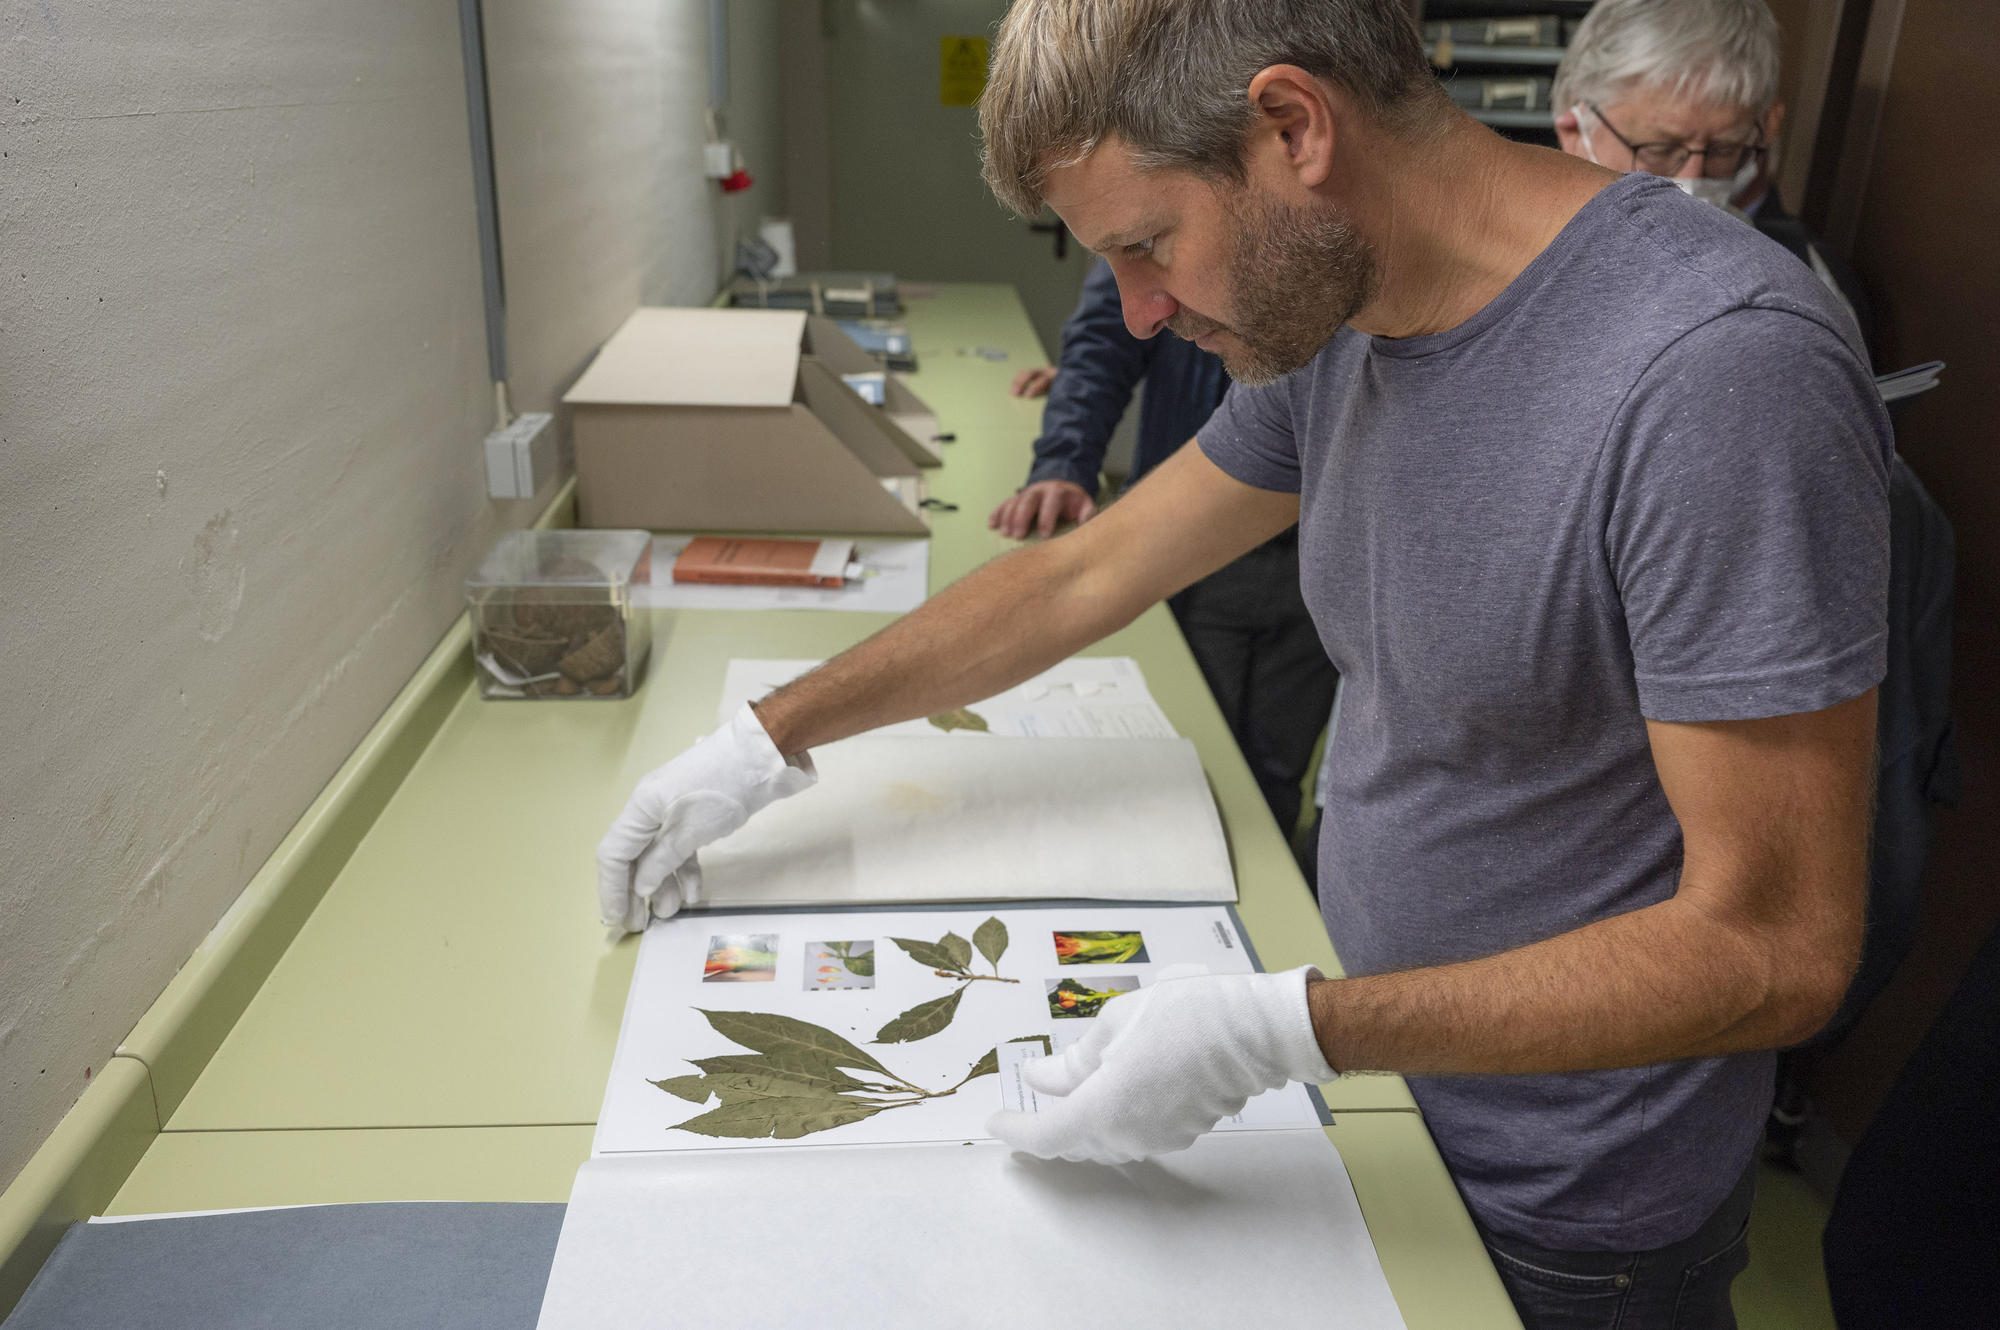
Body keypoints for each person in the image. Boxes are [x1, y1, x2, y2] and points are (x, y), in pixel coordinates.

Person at [598, 2, 1888, 1325]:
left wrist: (1294, 1028)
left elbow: (1779, 945)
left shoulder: (1717, 372)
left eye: (1149, 246)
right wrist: (771, 735)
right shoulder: (1355, 315)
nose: (1142, 315)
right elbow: (1087, 570)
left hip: (1559, 1208)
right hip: (1371, 1085)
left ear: (1292, 127)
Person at [990, 258, 1339, 845]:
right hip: (1201, 537)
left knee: (1278, 772)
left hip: (1325, 551)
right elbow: (1107, 337)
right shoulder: (1168, 199)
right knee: (1187, 749)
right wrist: (1064, 461)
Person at [1552, 0, 1876, 359]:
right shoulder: (1516, 275)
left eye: (1723, 150)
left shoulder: (1814, 280)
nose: (1692, 180)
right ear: (1575, 133)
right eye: (1660, 149)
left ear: (1765, 128)